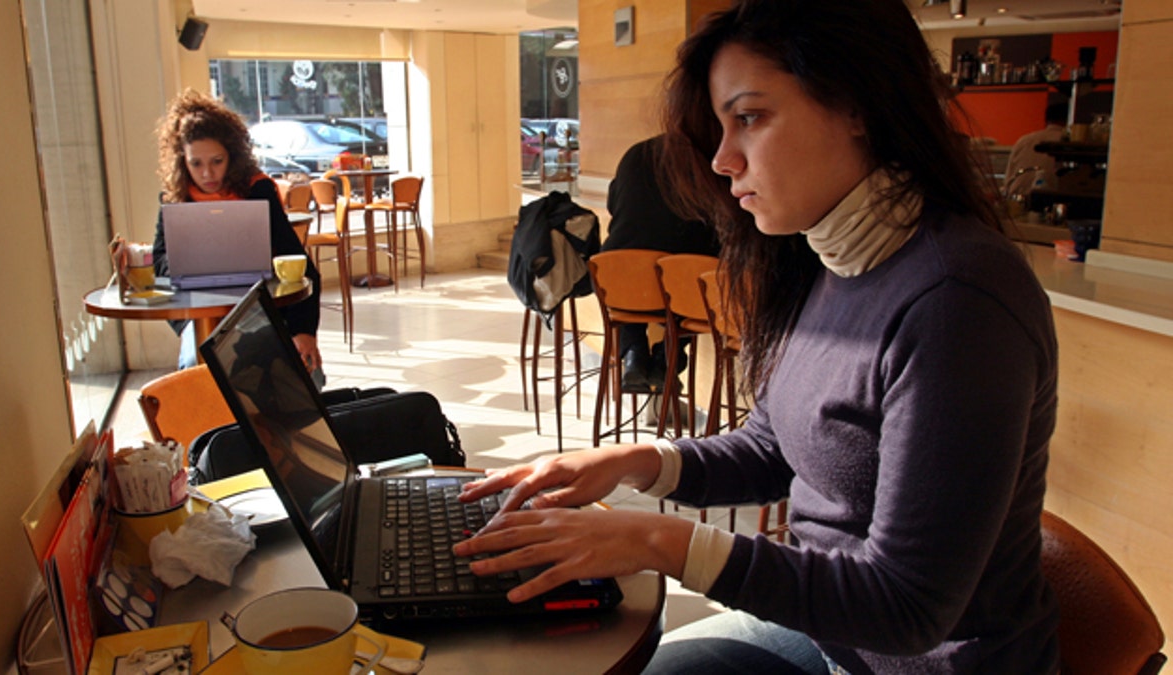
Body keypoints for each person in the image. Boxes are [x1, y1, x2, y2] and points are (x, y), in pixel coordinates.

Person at [453, 1, 1060, 673]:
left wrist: (660, 539)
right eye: (720, 127)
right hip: (835, 643)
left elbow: (909, 607)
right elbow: (775, 444)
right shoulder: (827, 260)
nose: (721, 159)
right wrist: (632, 461)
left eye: (750, 118)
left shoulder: (957, 299)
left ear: (858, 105)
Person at [150, 90, 323, 383]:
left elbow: (299, 264)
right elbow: (159, 262)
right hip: (199, 312)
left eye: (217, 161)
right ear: (183, 162)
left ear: (232, 154)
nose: (207, 174)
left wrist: (303, 331)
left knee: (301, 374)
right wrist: (184, 266)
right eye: (196, 164)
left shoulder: (257, 191)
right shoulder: (174, 200)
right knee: (198, 368)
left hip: (256, 306)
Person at [602, 135, 719, 393]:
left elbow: (613, 205)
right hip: (683, 285)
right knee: (693, 283)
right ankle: (668, 358)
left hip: (616, 277)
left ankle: (633, 353)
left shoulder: (635, 152)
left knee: (636, 269)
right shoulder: (708, 159)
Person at [1004, 101, 1067, 196]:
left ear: (1046, 120)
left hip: (1017, 200)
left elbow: (1008, 179)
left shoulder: (1024, 140)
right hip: (1051, 200)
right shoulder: (1068, 142)